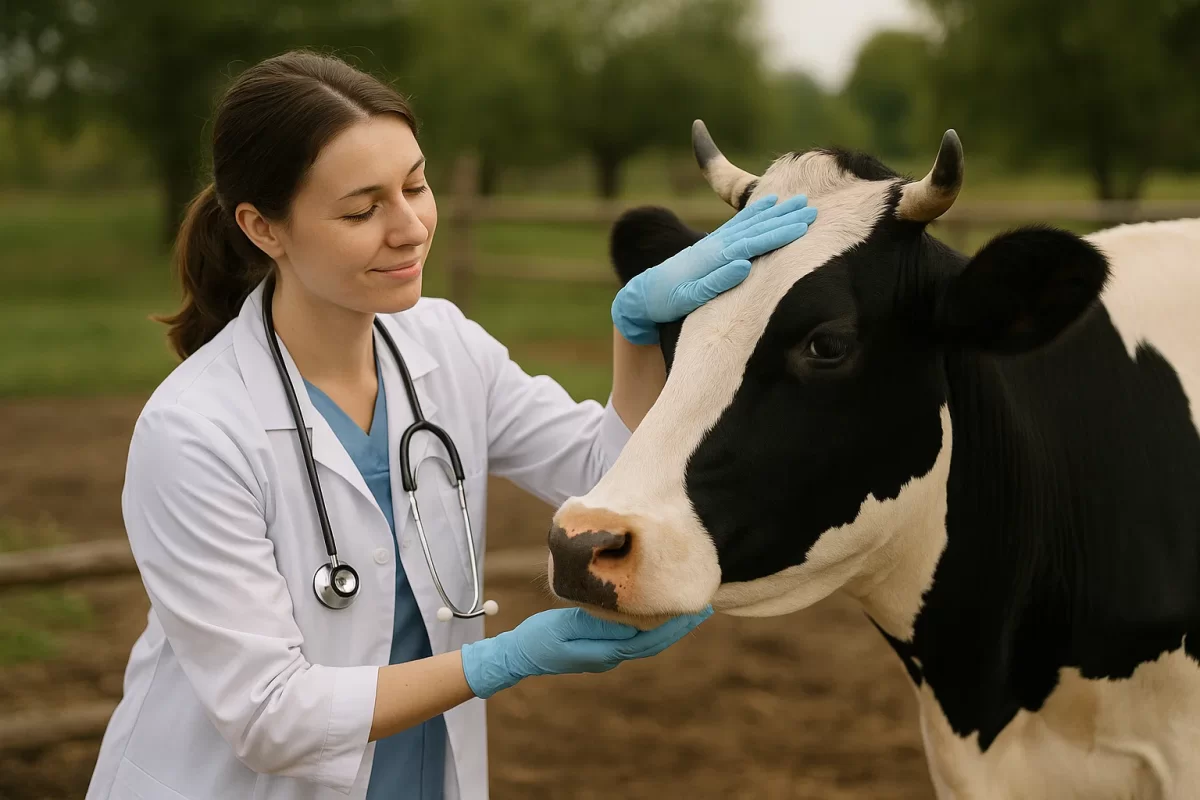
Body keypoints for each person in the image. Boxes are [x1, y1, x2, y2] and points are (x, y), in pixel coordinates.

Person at [84, 49, 817, 800]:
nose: (409, 228)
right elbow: (270, 715)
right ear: (263, 228)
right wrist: (500, 660)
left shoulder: (445, 346)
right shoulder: (195, 430)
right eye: (363, 209)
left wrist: (634, 336)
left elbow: (606, 474)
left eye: (416, 185)